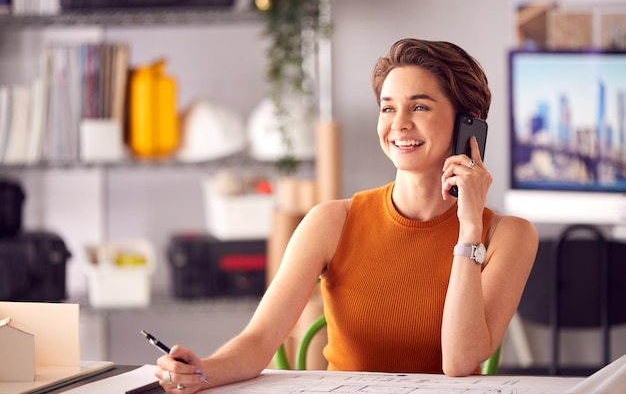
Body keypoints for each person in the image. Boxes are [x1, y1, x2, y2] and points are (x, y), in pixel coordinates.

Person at [155, 38, 538, 392]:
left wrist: (468, 229)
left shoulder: (507, 235)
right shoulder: (331, 222)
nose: (398, 123)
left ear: (468, 123)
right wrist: (201, 371)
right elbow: (258, 342)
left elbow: (459, 361)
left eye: (419, 106)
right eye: (388, 107)